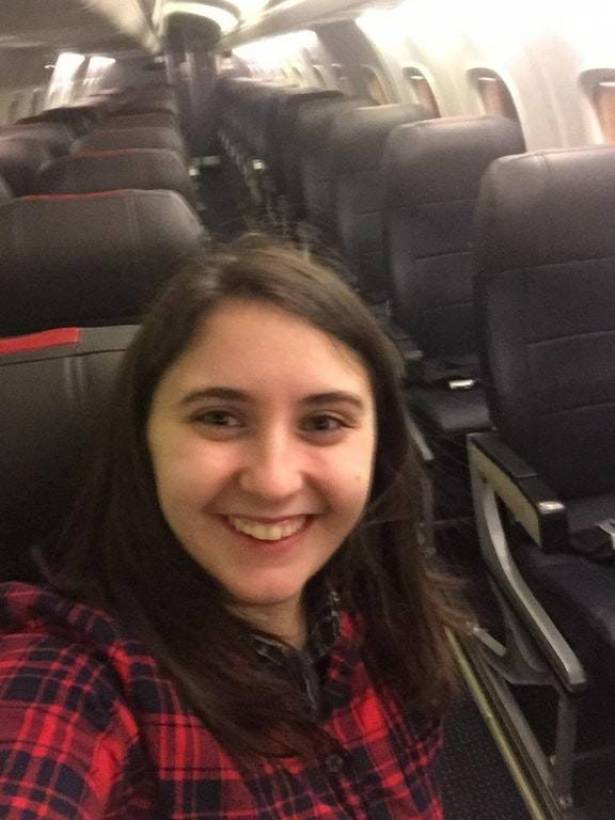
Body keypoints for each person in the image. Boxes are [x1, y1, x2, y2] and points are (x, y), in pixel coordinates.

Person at [0, 239, 461, 818]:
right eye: (219, 418)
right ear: (143, 441)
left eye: (323, 422)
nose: (273, 482)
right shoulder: (73, 680)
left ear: (379, 449)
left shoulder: (380, 610)